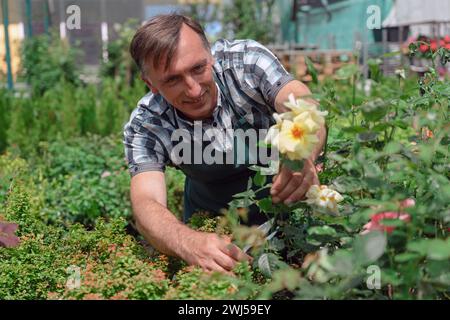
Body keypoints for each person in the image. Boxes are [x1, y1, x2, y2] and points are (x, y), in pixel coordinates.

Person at [123, 14, 326, 274]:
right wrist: (189, 242)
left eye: (198, 68)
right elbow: (146, 203)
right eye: (172, 79)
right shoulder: (147, 125)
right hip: (216, 228)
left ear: (211, 56)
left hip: (289, 205)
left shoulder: (245, 63)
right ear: (150, 84)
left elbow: (303, 102)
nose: (194, 90)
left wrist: (303, 154)